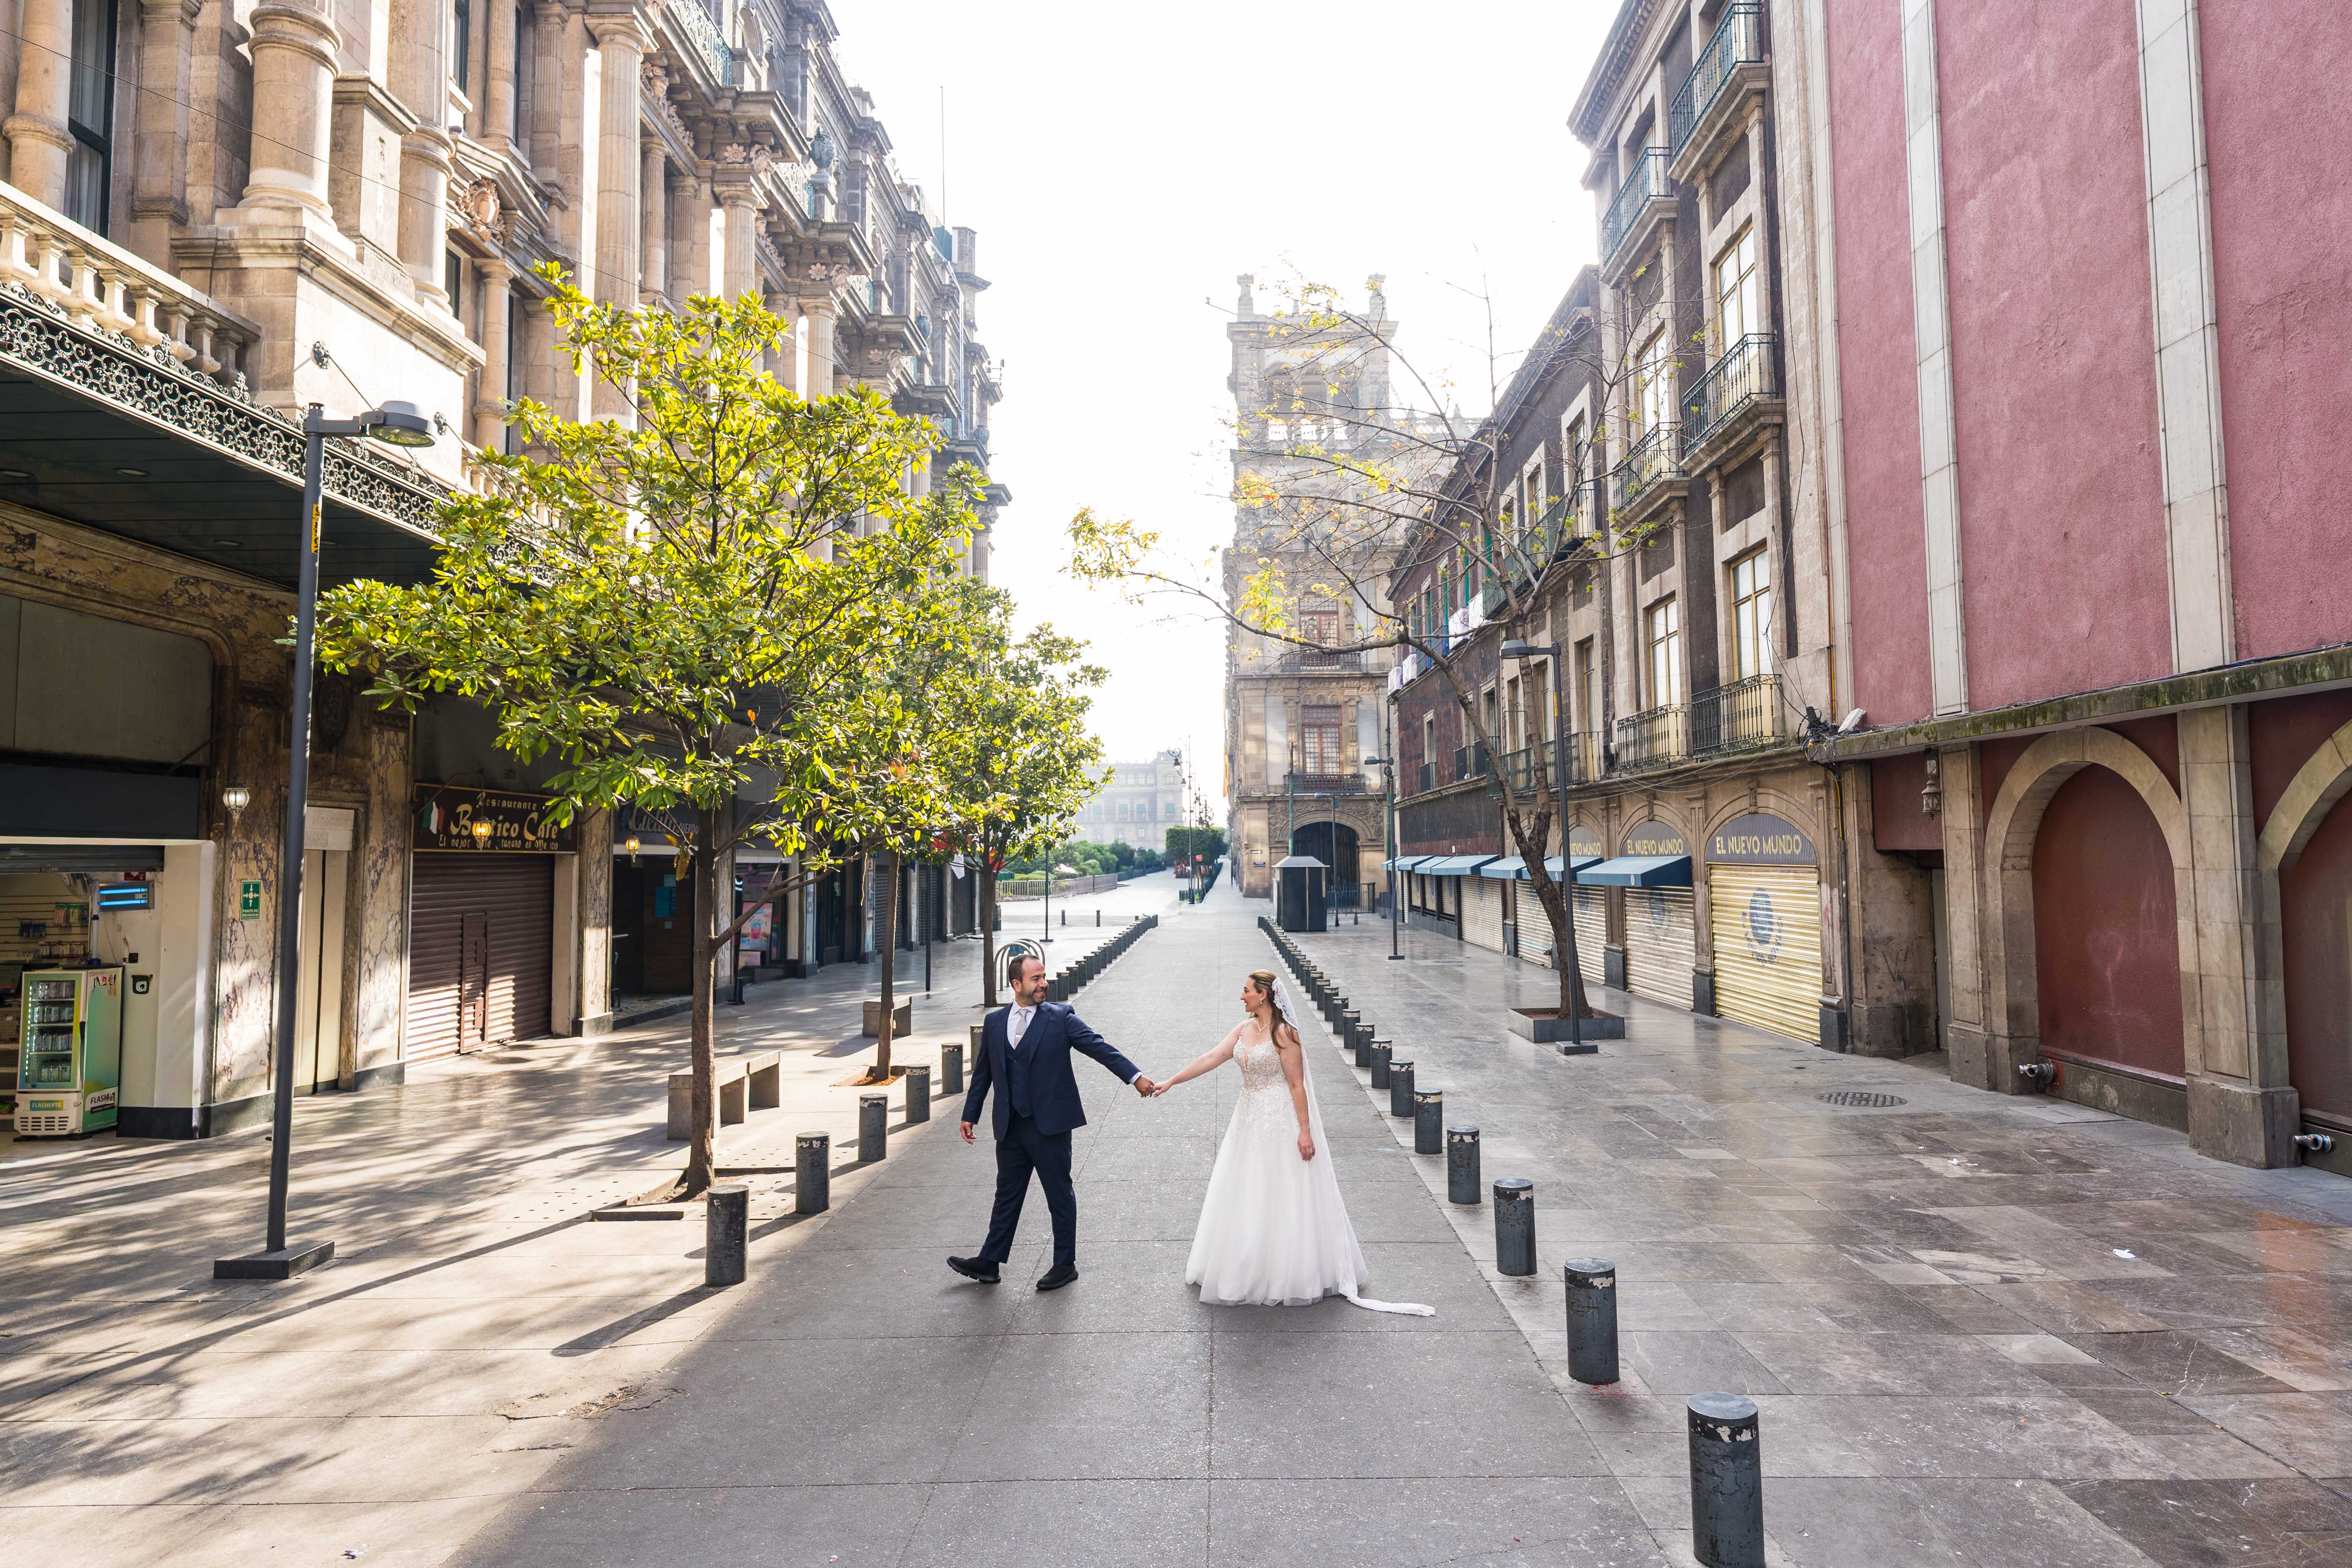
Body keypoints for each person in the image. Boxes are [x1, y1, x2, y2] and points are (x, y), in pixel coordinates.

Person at [1149, 969, 1431, 1314]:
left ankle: (1288, 1270)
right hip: (1248, 1116)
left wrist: (1304, 1130)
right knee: (1248, 1189)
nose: (1242, 996)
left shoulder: (1285, 1034)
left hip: (1280, 1118)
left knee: (1283, 1190)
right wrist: (1171, 1081)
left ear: (1263, 995)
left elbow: (1298, 1085)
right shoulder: (1244, 1029)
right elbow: (1211, 1057)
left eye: (1246, 991)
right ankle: (1249, 1263)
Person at [948, 951, 1156, 1291]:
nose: (1044, 983)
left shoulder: (1060, 1018)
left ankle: (1064, 1264)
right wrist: (970, 1114)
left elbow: (1099, 1047)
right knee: (1007, 1194)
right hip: (1011, 1125)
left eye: (1044, 977)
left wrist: (1135, 1077)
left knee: (1059, 1193)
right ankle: (990, 1261)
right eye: (1036, 978)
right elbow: (984, 1072)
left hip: (1050, 1123)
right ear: (1017, 984)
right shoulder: (995, 1022)